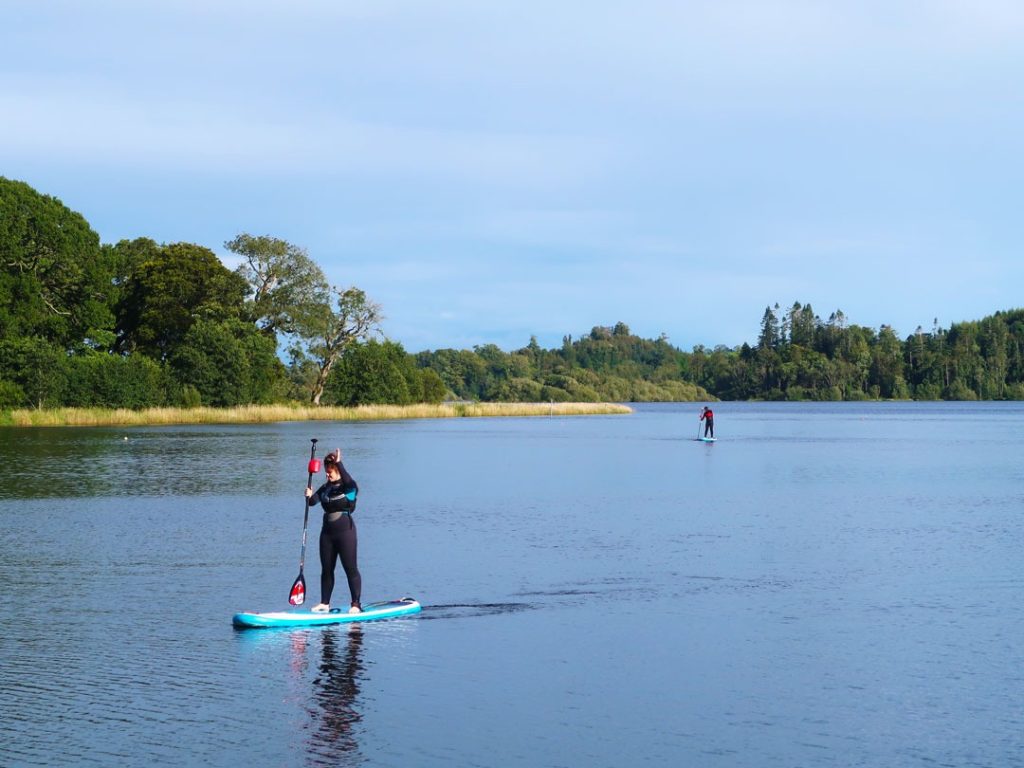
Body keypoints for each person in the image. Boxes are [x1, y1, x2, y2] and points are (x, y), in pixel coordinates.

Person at [304, 448, 362, 614]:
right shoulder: (326, 488)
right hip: (327, 534)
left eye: (330, 472)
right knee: (326, 569)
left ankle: (355, 604)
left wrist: (339, 463)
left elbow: (349, 480)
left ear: (338, 471)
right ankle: (324, 603)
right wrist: (308, 494)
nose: (327, 475)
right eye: (326, 472)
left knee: (350, 568)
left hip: (345, 533)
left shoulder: (349, 488)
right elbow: (312, 502)